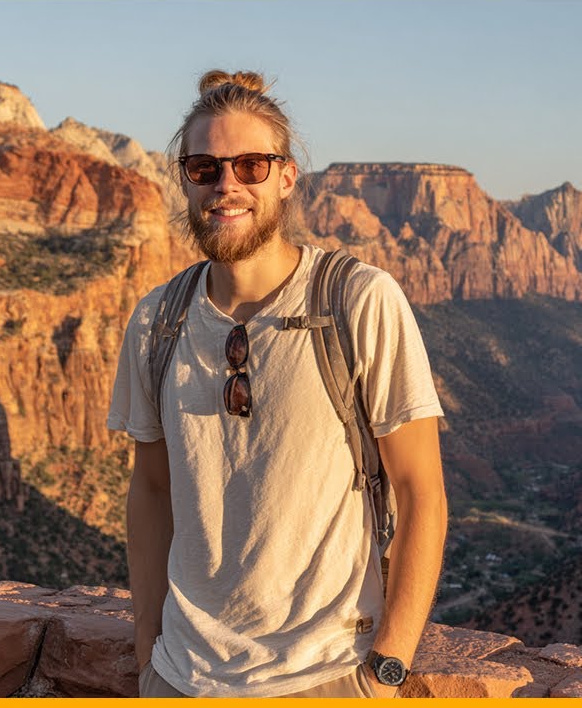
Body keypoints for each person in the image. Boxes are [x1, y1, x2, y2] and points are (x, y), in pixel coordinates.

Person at [109, 70, 447, 697]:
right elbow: (151, 491)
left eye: (251, 166)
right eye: (205, 168)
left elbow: (419, 489)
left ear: (287, 177)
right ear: (185, 180)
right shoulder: (156, 320)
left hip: (326, 678)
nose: (227, 185)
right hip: (181, 678)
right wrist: (145, 654)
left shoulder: (359, 300)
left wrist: (387, 669)